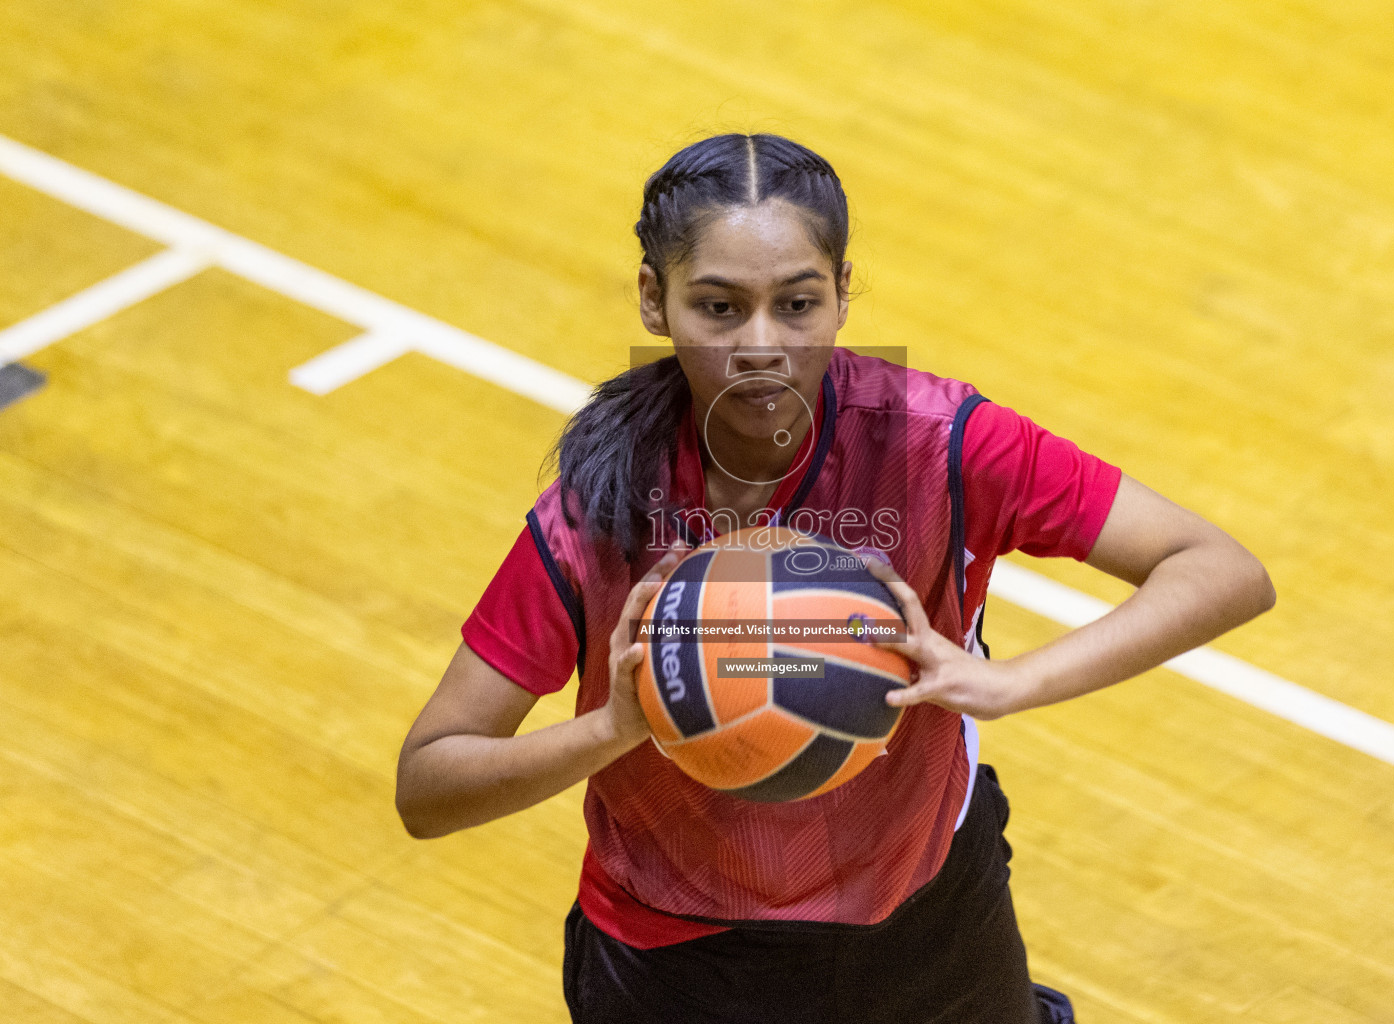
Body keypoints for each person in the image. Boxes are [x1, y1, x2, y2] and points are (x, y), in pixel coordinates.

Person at [395, 133, 1276, 1023]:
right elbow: (429, 786)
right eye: (719, 307)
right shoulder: (597, 511)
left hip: (929, 926)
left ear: (845, 293)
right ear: (653, 302)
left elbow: (1219, 569)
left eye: (799, 303)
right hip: (684, 967)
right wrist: (616, 729)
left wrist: (1009, 683)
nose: (762, 346)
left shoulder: (943, 445)